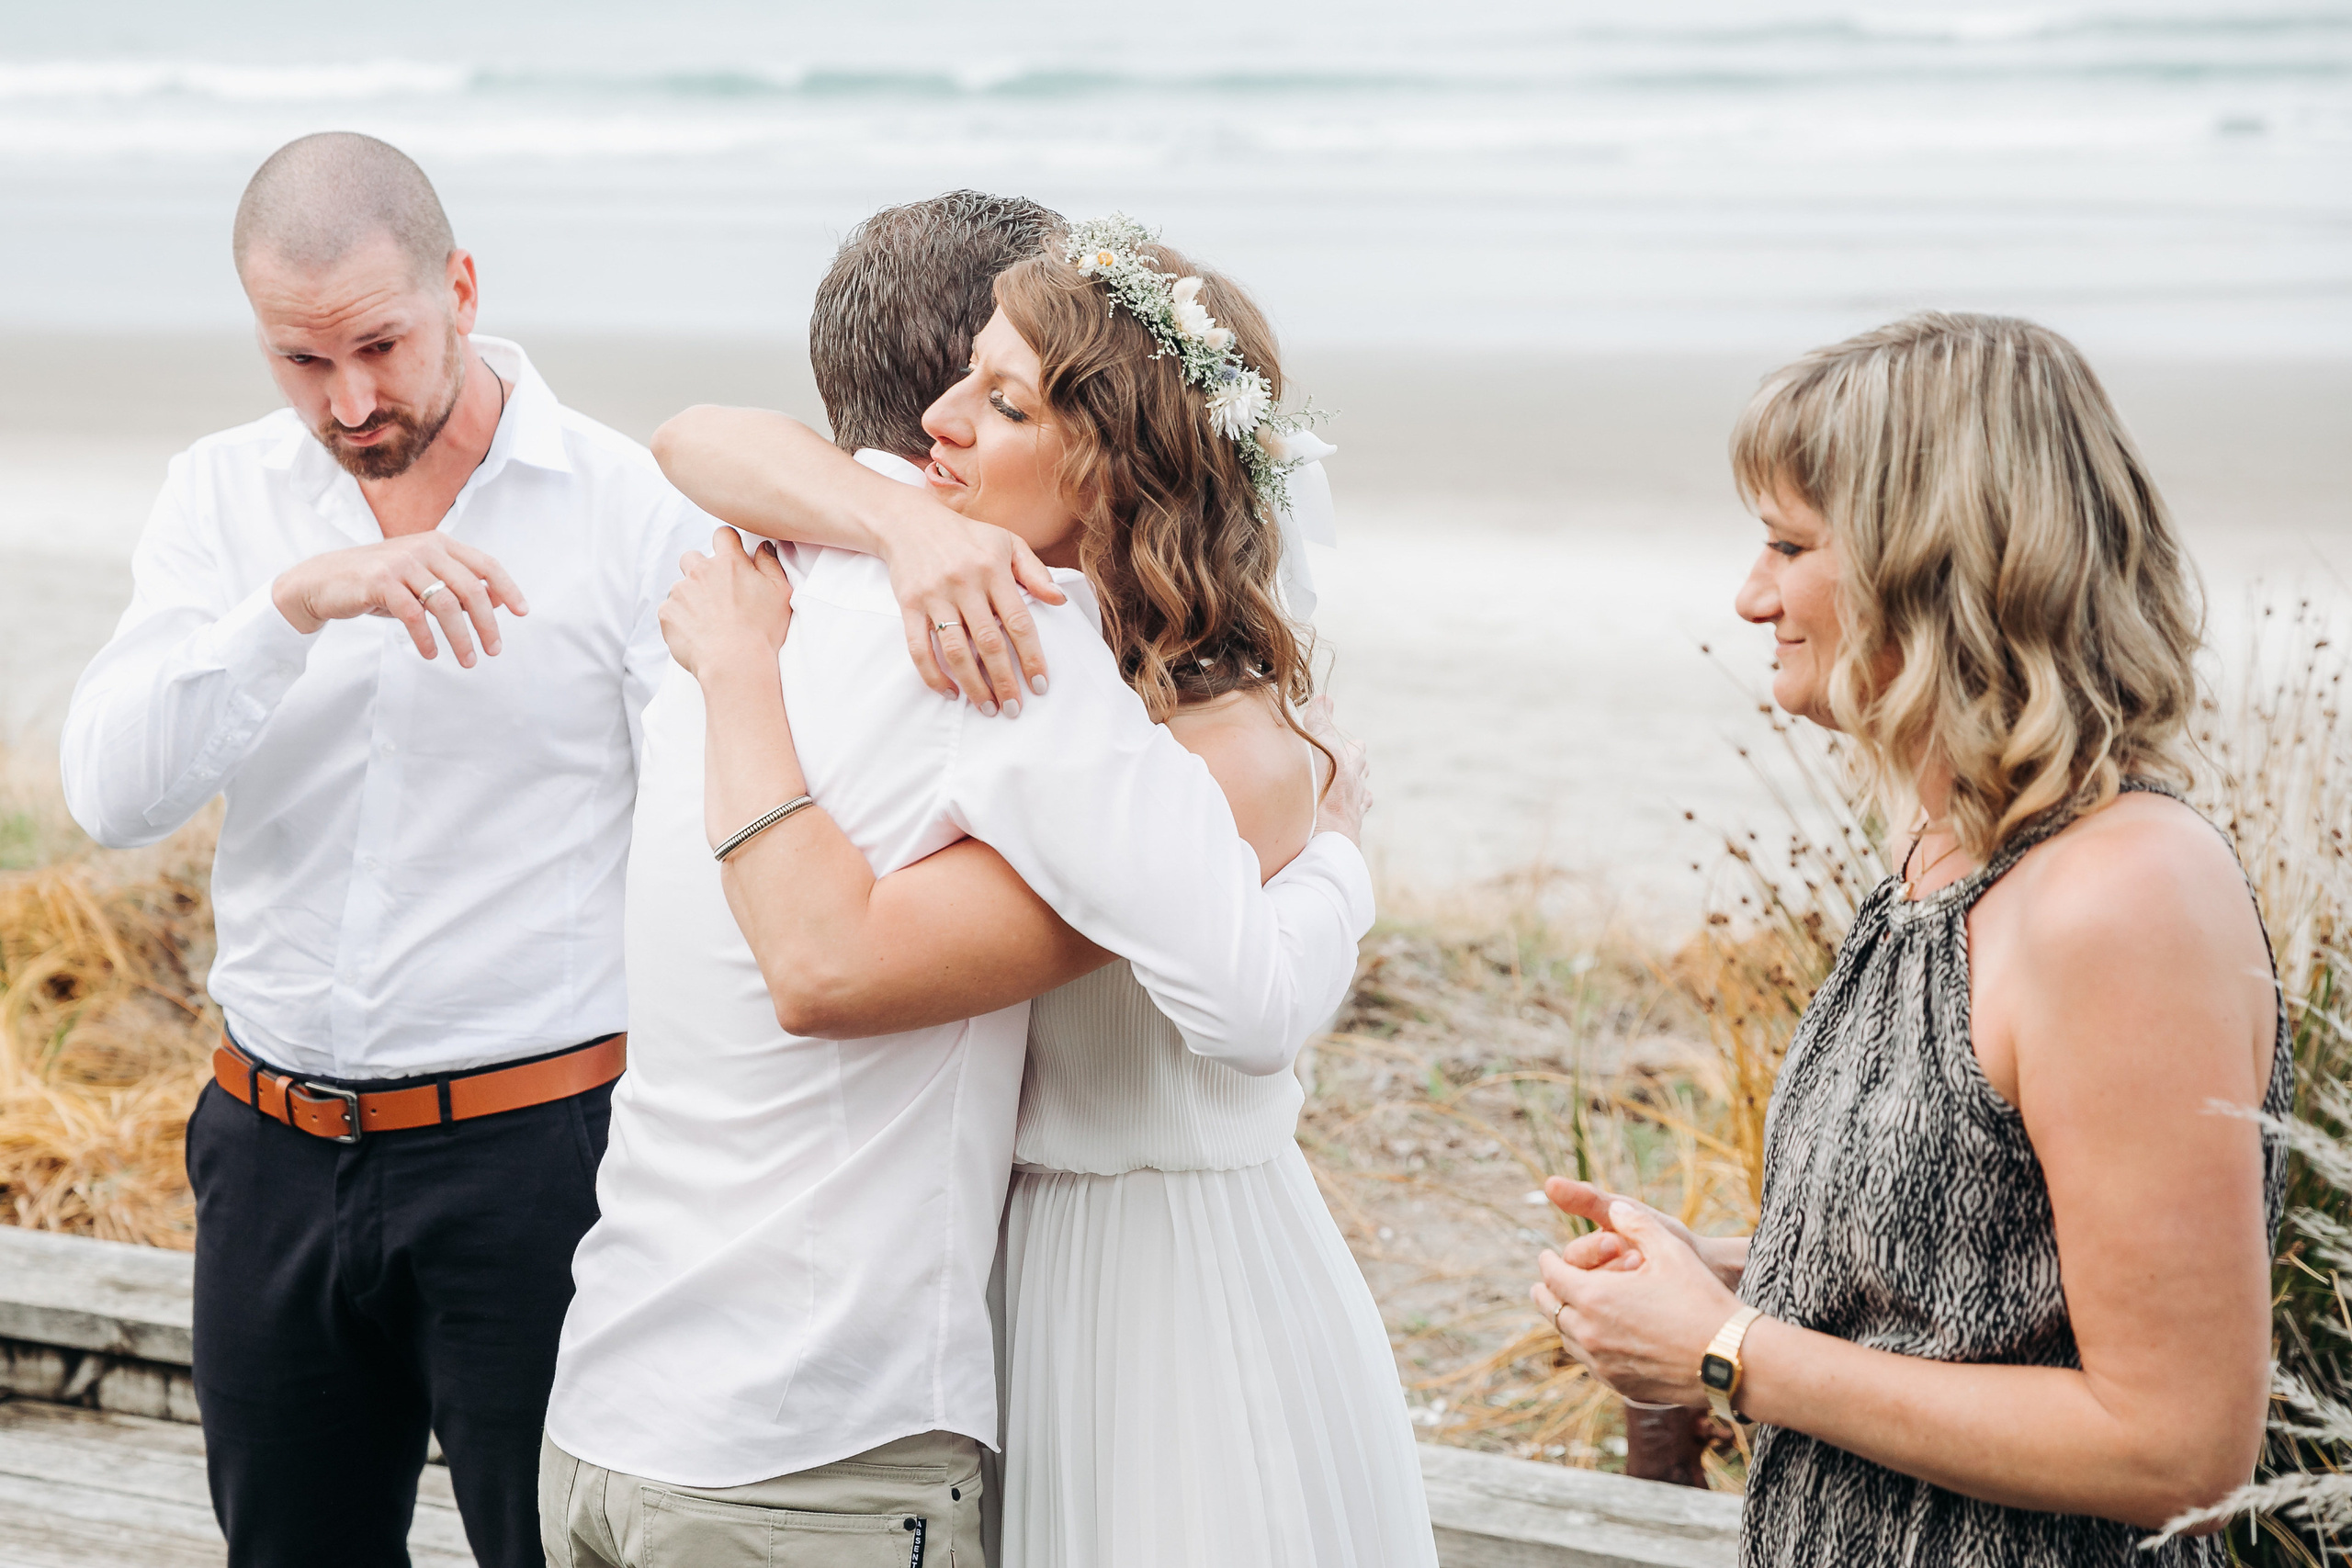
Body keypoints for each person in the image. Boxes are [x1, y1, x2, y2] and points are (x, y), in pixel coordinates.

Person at [538, 198, 1379, 1568]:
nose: (945, 419)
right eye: (967, 379)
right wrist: (1341, 857)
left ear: (1111, 461)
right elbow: (829, 967)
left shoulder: (756, 579)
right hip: (812, 1444)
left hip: (614, 1412)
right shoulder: (1010, 644)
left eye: (1001, 397)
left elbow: (692, 438)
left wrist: (752, 663)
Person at [1529, 312, 2287, 1565]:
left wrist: (1724, 1352)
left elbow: (2174, 1445)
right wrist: (1717, 1276)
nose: (1752, 595)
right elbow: (1986, 1287)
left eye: (1789, 545)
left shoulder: (2123, 899)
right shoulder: (1950, 855)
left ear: (1933, 567)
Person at [54, 132, 713, 1568]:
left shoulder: (628, 508)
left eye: (380, 346)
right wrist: (290, 608)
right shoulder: (220, 496)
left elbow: (705, 844)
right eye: (302, 362)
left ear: (460, 288)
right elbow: (111, 793)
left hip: (538, 1163)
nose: (349, 402)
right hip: (266, 1158)